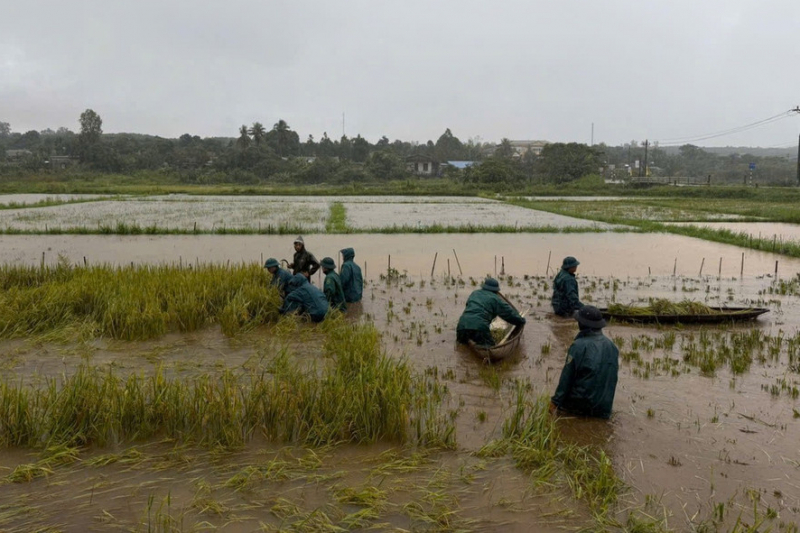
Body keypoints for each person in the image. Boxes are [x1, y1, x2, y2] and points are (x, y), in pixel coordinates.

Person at [550, 305, 619, 419]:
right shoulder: (612, 347)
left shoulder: (578, 346)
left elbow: (567, 378)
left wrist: (555, 402)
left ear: (582, 324)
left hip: (580, 407)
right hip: (604, 409)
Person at [456, 277, 526, 347]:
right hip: (480, 327)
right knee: (490, 347)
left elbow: (469, 307)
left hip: (462, 325)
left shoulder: (474, 293)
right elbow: (508, 314)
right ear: (496, 291)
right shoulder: (495, 299)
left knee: (461, 346)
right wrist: (521, 321)